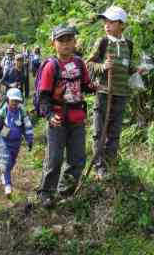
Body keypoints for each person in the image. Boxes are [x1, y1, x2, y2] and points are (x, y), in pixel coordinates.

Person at [37, 24, 96, 208]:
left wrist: (97, 86)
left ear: (74, 42)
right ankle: (46, 193)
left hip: (77, 118)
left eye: (69, 40)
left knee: (77, 158)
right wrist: (48, 115)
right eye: (61, 40)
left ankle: (65, 192)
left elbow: (86, 85)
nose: (66, 44)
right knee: (54, 159)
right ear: (53, 43)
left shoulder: (79, 63)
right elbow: (43, 96)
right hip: (58, 120)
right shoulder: (51, 66)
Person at [86, 6, 145, 178]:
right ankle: (99, 166)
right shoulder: (103, 42)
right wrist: (103, 66)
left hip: (121, 93)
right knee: (100, 130)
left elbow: (126, 67)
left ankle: (111, 163)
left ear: (122, 25)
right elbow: (88, 63)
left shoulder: (128, 45)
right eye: (105, 21)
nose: (107, 25)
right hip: (104, 92)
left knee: (115, 131)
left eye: (111, 22)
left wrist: (136, 70)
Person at [0, 88, 33, 197]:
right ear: (8, 100)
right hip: (4, 141)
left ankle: (4, 174)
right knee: (8, 162)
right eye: (13, 100)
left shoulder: (22, 112)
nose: (15, 103)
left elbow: (27, 126)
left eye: (17, 101)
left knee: (12, 162)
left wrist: (29, 139)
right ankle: (8, 186)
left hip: (16, 143)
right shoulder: (3, 111)